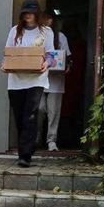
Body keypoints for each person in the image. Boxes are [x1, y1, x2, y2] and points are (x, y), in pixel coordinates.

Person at [2, 0, 51, 167]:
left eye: (31, 12)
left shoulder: (46, 32)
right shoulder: (15, 31)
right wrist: (4, 65)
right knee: (19, 117)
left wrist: (47, 63)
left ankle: (25, 155)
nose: (28, 15)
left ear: (37, 13)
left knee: (30, 116)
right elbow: (8, 52)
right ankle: (26, 148)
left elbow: (51, 53)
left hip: (36, 80)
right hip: (15, 81)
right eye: (25, 12)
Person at [41, 10, 72, 151]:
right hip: (38, 79)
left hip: (56, 80)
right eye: (44, 18)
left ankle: (51, 140)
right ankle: (35, 138)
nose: (47, 21)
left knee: (53, 112)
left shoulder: (60, 36)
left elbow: (67, 56)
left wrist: (67, 65)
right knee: (39, 108)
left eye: (49, 18)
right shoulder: (37, 36)